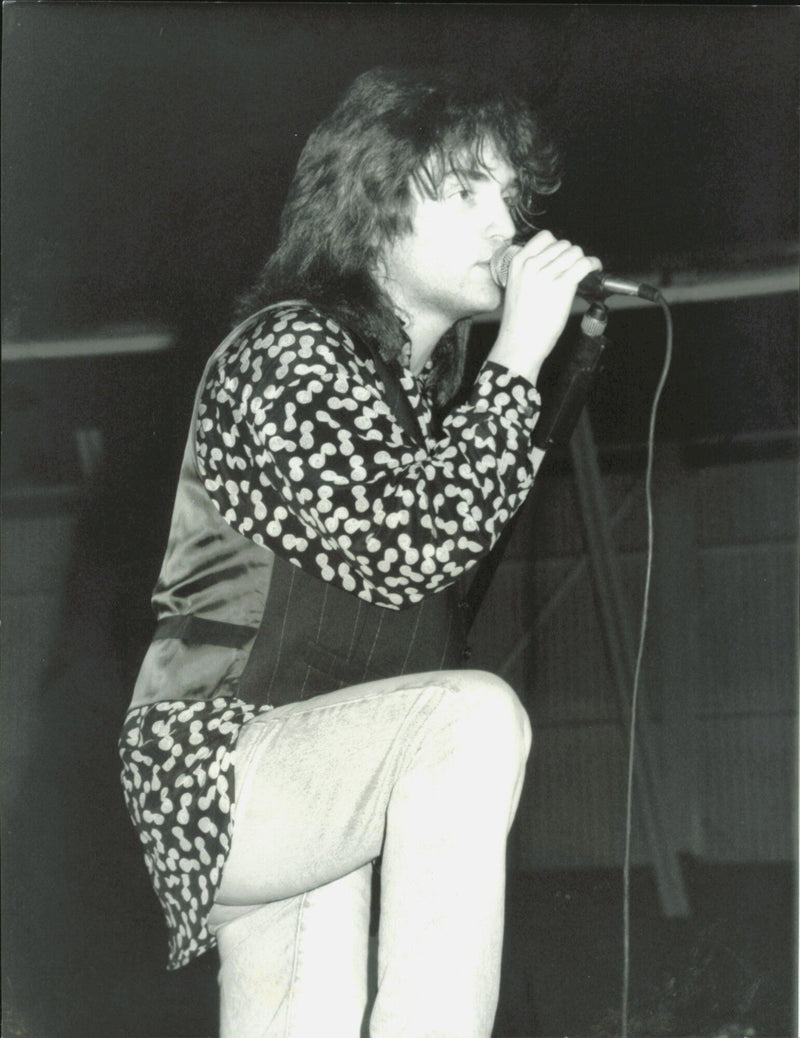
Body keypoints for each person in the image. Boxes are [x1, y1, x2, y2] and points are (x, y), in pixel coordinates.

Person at [119, 66, 601, 1038]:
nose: (503, 226)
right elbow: (406, 542)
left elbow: (431, 537)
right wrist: (516, 358)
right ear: (372, 198)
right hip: (223, 762)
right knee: (465, 723)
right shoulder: (286, 350)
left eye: (509, 199)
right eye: (465, 190)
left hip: (313, 769)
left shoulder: (412, 402)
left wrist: (514, 378)